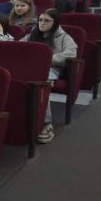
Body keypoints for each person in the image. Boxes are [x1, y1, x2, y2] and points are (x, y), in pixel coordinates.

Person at [22, 9, 77, 143]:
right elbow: (19, 45)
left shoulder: (63, 37)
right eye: (40, 20)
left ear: (55, 22)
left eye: (47, 21)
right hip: (31, 67)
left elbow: (71, 53)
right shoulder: (33, 34)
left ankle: (46, 124)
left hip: (50, 68)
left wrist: (47, 59)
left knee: (42, 83)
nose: (42, 23)